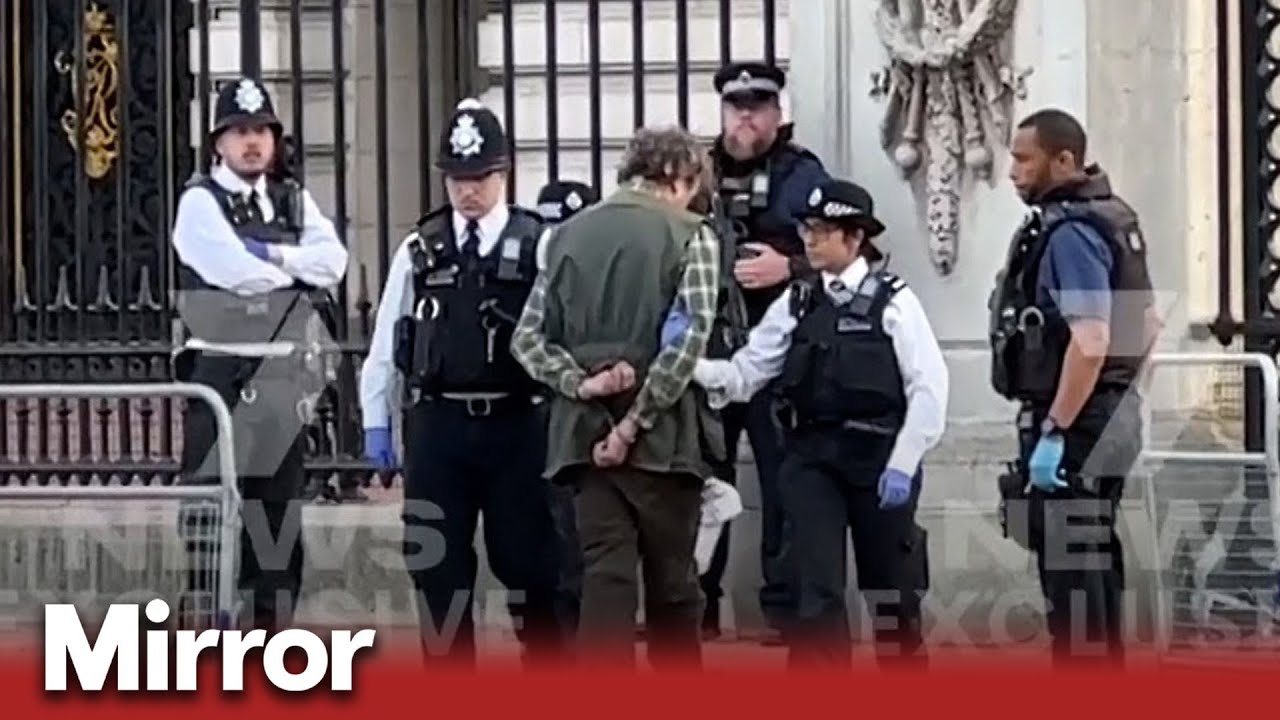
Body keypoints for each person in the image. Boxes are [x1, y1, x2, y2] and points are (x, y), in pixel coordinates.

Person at [693, 178, 947, 668]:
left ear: (854, 239)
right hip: (811, 458)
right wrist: (691, 366)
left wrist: (904, 461)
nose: (809, 239)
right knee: (815, 593)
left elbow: (929, 388)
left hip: (879, 458)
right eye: (807, 228)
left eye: (823, 230)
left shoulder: (894, 302)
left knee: (893, 590)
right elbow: (747, 373)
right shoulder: (797, 302)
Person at [358, 98, 561, 667]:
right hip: (438, 427)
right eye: (457, 179)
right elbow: (385, 343)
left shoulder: (539, 242)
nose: (467, 191)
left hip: (517, 424)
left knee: (532, 567)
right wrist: (376, 422)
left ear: (504, 172)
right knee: (437, 571)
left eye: (479, 177)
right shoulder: (420, 248)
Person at [510, 126, 719, 669]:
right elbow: (684, 345)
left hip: (580, 435)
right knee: (674, 589)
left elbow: (527, 338)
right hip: (664, 445)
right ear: (679, 178)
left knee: (605, 582)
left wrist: (581, 384)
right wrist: (635, 423)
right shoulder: (692, 235)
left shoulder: (564, 237)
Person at [172, 76, 349, 631]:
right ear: (219, 142)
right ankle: (208, 636)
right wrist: (291, 274)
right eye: (240, 131)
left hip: (279, 375)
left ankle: (272, 640)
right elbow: (233, 273)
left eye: (261, 131)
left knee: (277, 519)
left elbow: (334, 262)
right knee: (212, 514)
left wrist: (269, 251)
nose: (252, 142)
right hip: (221, 371)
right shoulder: (200, 200)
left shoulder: (293, 198)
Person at [989, 108, 1159, 665]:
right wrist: (1121, 396)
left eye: (1023, 159)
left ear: (1064, 160)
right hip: (1107, 412)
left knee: (1072, 576)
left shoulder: (1070, 230)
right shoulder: (1114, 217)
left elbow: (1090, 339)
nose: (1012, 171)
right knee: (1093, 560)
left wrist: (1057, 428)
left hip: (1075, 420)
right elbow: (1147, 323)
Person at [701, 60, 831, 641]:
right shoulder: (696, 172)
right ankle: (694, 605)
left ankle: (784, 611)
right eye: (736, 106)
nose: (746, 116)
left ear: (779, 114)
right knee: (700, 482)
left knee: (785, 486)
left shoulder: (803, 176)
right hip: (707, 353)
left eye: (758, 106)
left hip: (778, 360)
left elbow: (850, 254)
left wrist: (790, 266)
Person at [531, 178, 600, 638]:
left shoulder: (599, 278)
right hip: (532, 418)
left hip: (583, 417)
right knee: (540, 543)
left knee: (579, 542)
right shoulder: (530, 277)